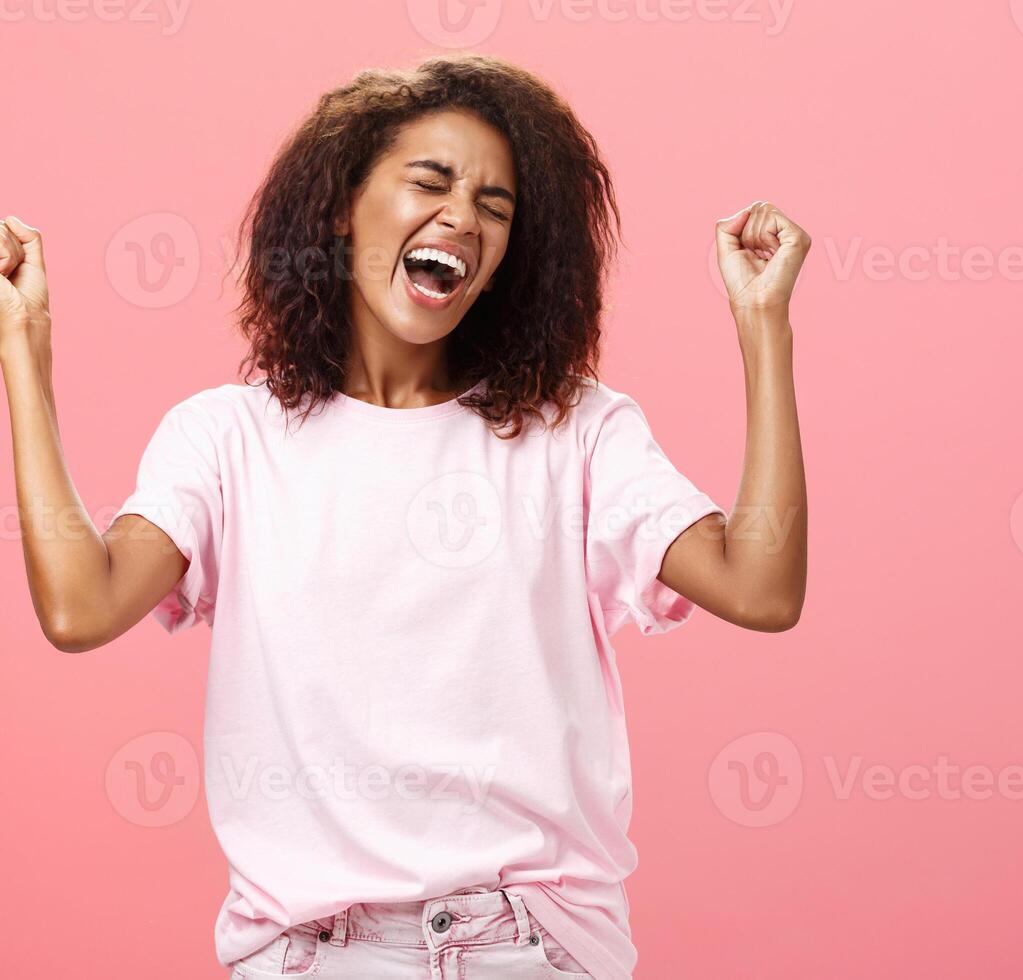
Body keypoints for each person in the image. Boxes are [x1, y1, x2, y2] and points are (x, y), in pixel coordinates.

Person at [0, 54, 809, 980]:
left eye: (496, 207)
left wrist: (764, 324)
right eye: (430, 181)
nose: (462, 217)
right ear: (344, 207)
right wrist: (23, 349)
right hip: (306, 954)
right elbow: (79, 604)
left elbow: (762, 584)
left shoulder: (575, 431)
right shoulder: (226, 439)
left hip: (529, 947)